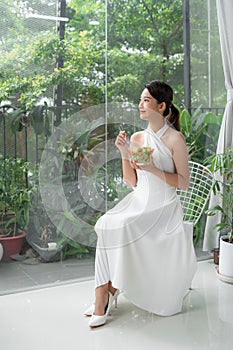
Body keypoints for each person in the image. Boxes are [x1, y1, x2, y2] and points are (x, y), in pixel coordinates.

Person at [84, 80, 197, 328]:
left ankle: (107, 293)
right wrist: (125, 153)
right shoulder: (137, 137)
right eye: (140, 100)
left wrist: (154, 168)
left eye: (146, 101)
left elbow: (184, 183)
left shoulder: (175, 140)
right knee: (105, 223)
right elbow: (131, 180)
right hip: (139, 200)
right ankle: (102, 293)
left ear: (161, 106)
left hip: (164, 207)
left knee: (120, 225)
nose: (140, 105)